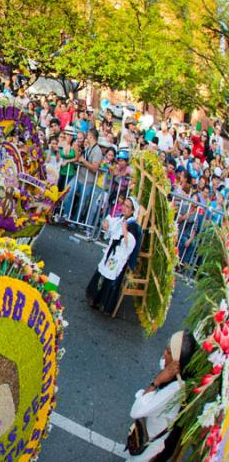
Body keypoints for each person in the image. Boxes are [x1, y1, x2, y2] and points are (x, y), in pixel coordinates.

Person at [125, 330, 196, 461]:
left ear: (178, 362)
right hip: (149, 435)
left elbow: (136, 411)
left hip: (150, 446)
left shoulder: (175, 389)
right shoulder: (178, 373)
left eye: (169, 352)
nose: (164, 355)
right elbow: (162, 362)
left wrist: (156, 382)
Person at [86, 196, 142, 314]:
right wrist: (106, 223)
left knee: (111, 276)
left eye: (127, 207)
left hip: (120, 256)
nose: (124, 208)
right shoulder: (120, 219)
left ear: (132, 211)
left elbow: (130, 245)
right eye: (124, 205)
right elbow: (109, 221)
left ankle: (104, 303)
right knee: (102, 271)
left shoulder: (134, 226)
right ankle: (94, 298)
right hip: (112, 253)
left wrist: (125, 230)